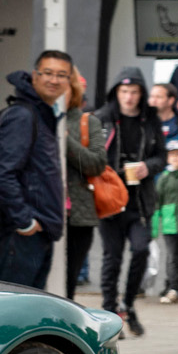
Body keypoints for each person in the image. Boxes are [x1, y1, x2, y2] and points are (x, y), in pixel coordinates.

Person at [0, 52, 71, 290]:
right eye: (48, 73)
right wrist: (24, 221)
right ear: (34, 76)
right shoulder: (23, 115)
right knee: (12, 311)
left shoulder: (42, 114)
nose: (54, 80)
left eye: (61, 75)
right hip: (23, 232)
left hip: (38, 229)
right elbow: (2, 174)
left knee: (28, 310)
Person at [96, 68, 165, 335]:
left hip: (138, 201)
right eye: (124, 91)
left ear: (141, 94)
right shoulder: (103, 118)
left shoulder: (150, 120)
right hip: (109, 201)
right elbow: (89, 154)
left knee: (141, 250)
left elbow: (161, 154)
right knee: (111, 257)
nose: (128, 97)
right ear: (116, 92)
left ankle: (128, 303)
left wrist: (149, 166)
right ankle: (108, 310)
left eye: (134, 91)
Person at [64, 74, 108, 301]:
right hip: (43, 213)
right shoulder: (36, 119)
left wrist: (66, 140)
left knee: (68, 279)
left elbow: (97, 164)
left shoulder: (88, 122)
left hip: (78, 215)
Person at [155, 140, 178, 304]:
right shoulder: (164, 178)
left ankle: (176, 284)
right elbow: (157, 201)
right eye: (172, 154)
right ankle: (174, 287)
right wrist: (154, 226)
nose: (175, 157)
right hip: (169, 224)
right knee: (173, 257)